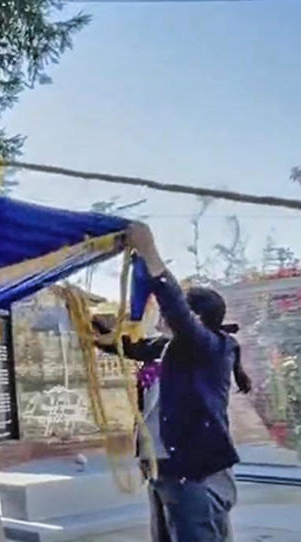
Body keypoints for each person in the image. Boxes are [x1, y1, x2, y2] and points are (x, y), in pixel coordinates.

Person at [123, 222, 240, 542]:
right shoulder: (167, 350)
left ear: (198, 320)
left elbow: (177, 312)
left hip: (196, 477)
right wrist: (87, 318)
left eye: (172, 312)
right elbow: (125, 346)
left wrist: (149, 252)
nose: (162, 314)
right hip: (166, 474)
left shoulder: (211, 348)